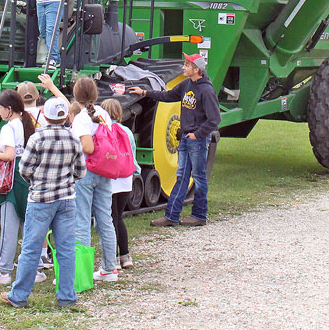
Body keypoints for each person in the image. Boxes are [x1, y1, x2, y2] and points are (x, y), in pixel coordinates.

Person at [0, 97, 85, 310]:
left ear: (44, 116)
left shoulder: (37, 138)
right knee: (65, 249)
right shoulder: (74, 138)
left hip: (40, 199)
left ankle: (19, 296)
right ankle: (66, 296)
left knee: (31, 248)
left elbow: (24, 169)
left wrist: (37, 180)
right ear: (65, 116)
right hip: (66, 199)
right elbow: (81, 171)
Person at [129, 53, 221, 226]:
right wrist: (144, 92)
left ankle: (199, 216)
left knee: (199, 177)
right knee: (181, 177)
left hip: (198, 140)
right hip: (186, 139)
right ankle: (171, 216)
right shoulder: (187, 84)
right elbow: (168, 96)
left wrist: (197, 134)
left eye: (187, 65)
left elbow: (215, 119)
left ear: (196, 69)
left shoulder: (206, 90)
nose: (183, 67)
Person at [69, 77, 120, 282]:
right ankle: (109, 268)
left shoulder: (81, 118)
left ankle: (81, 273)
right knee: (105, 220)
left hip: (86, 172)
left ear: (76, 95)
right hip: (105, 170)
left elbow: (88, 148)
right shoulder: (103, 113)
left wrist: (72, 146)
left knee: (81, 221)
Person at [0, 89, 38, 286]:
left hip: (12, 177)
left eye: (0, 108)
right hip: (27, 177)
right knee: (28, 224)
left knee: (9, 226)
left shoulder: (8, 128)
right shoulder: (27, 124)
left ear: (9, 109)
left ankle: (4, 270)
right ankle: (35, 268)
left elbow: (9, 155)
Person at [102, 98, 140, 269]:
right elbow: (133, 154)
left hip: (109, 178)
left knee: (110, 219)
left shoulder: (102, 130)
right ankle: (125, 255)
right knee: (119, 217)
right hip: (125, 178)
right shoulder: (127, 132)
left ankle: (113, 257)